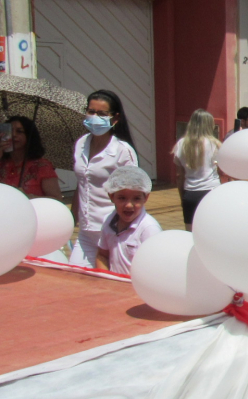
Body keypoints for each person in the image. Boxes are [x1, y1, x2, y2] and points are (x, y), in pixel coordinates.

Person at [71, 90, 139, 268]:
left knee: (108, 286)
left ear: (115, 119)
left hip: (112, 231)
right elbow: (82, 184)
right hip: (85, 231)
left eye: (102, 114)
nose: (95, 117)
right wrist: (72, 218)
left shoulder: (122, 151)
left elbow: (133, 192)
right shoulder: (81, 144)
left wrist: (126, 228)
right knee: (75, 276)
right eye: (91, 112)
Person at [95, 166, 161, 277]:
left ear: (146, 197)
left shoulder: (149, 229)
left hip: (138, 289)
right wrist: (106, 281)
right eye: (122, 198)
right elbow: (102, 256)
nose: (129, 205)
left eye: (136, 199)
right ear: (111, 196)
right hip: (114, 287)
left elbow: (156, 267)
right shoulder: (109, 221)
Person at [172, 109, 221, 231]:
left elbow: (179, 175)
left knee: (190, 232)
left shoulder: (181, 144)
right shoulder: (215, 144)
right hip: (211, 191)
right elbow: (222, 170)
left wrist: (183, 196)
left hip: (191, 193)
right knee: (212, 230)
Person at [0, 116, 61, 199]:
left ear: (29, 136)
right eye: (10, 131)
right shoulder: (2, 162)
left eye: (19, 131)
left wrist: (27, 197)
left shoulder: (42, 166)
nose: (13, 135)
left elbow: (57, 199)